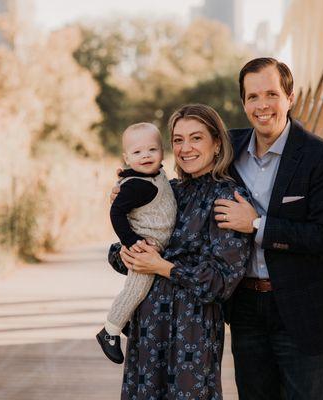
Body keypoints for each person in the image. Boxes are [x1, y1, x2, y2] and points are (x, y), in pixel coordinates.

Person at [212, 57, 323, 399]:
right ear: (243, 102)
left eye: (271, 94)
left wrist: (258, 225)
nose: (262, 106)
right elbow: (185, 180)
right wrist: (134, 188)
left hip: (306, 309)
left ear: (290, 98)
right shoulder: (228, 152)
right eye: (253, 97)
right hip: (246, 307)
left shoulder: (319, 158)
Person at [107, 104, 252, 399]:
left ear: (217, 144)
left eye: (196, 138)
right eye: (178, 140)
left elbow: (220, 281)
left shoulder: (228, 198)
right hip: (147, 329)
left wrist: (162, 267)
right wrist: (126, 253)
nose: (186, 148)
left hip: (192, 331)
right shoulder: (163, 190)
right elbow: (120, 251)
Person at [96, 122, 177, 364]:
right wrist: (131, 242)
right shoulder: (137, 186)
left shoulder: (155, 175)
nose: (146, 156)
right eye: (137, 152)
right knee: (136, 288)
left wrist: (123, 176)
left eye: (152, 150)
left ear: (162, 152)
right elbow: (116, 213)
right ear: (127, 156)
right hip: (144, 247)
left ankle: (125, 321)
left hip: (154, 246)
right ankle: (109, 330)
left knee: (142, 289)